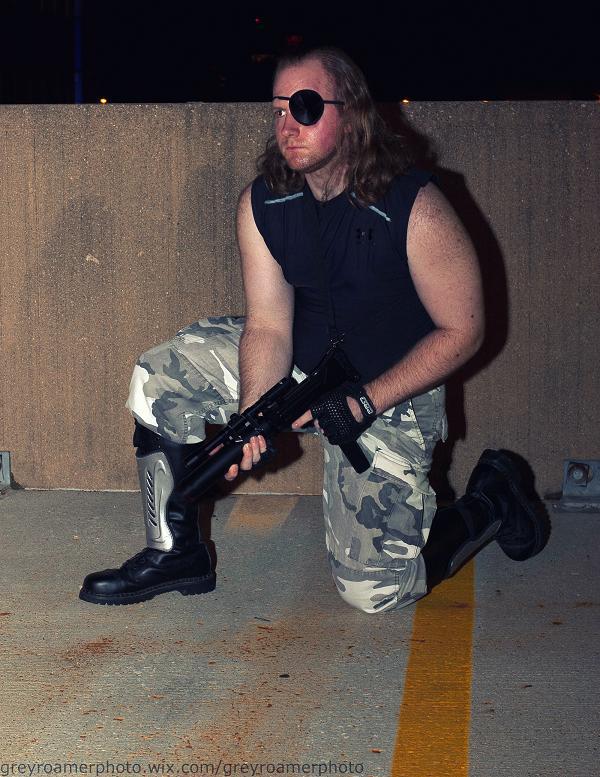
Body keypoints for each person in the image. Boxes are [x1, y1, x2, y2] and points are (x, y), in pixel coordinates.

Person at [79, 47, 548, 612]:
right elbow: (270, 325)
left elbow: (463, 331)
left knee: (375, 591)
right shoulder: (264, 203)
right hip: (303, 368)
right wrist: (252, 417)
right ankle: (174, 552)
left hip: (392, 388)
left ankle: (493, 500)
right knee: (163, 374)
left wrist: (364, 402)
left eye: (303, 107)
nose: (286, 125)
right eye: (278, 110)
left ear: (351, 113)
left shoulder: (415, 207)